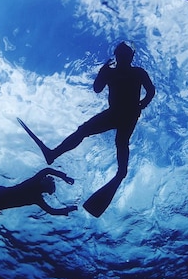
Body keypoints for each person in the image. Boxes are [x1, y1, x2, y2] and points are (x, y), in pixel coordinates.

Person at [18, 42, 155, 217]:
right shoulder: (111, 72)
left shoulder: (138, 72)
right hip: (113, 113)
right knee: (84, 131)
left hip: (128, 115)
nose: (122, 56)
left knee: (120, 143)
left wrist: (141, 105)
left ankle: (120, 174)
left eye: (126, 53)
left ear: (131, 56)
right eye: (120, 53)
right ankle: (53, 154)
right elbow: (97, 89)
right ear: (117, 55)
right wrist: (102, 73)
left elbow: (151, 91)